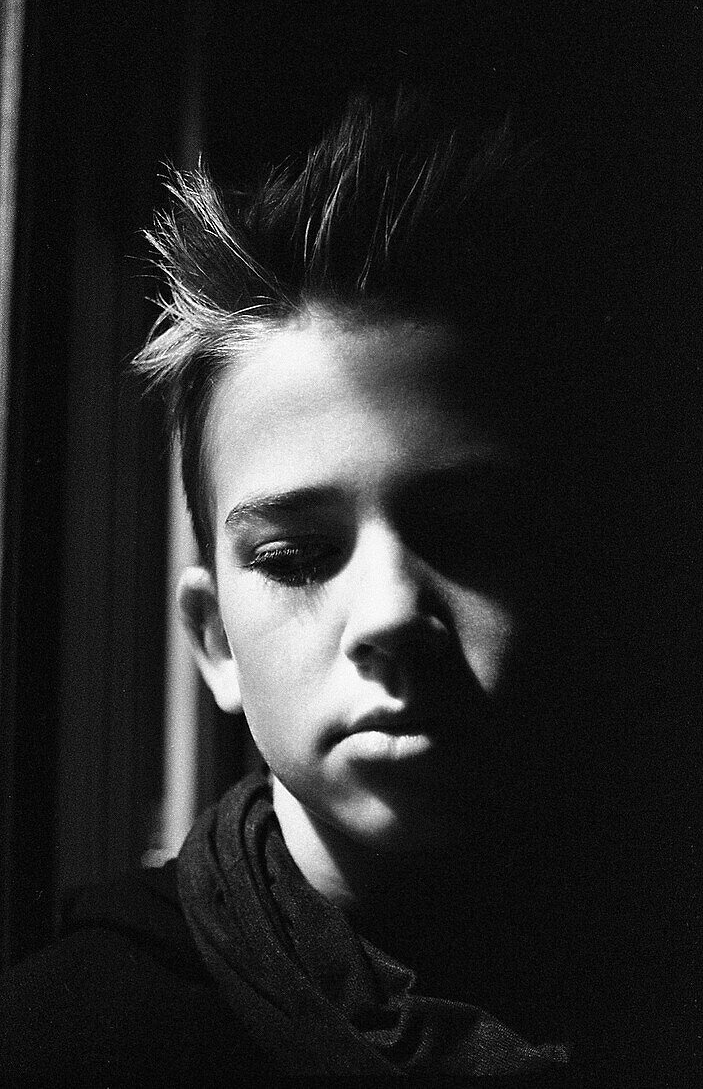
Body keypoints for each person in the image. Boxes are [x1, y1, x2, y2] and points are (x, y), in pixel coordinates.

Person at [0, 91, 682, 1085]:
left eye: (466, 531)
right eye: (296, 555)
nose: (392, 613)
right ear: (214, 642)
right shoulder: (67, 1043)